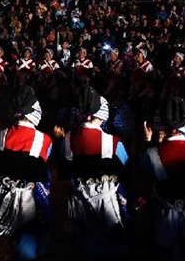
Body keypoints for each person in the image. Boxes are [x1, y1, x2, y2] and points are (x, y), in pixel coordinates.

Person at [139, 96, 185, 261]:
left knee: (164, 252)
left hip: (166, 215)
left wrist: (148, 142)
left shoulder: (151, 153)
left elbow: (142, 171)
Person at [60, 85, 129, 258]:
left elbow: (65, 168)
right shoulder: (112, 142)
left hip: (77, 201)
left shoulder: (67, 139)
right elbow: (127, 167)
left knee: (84, 244)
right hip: (106, 202)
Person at [0, 85, 53, 261]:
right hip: (30, 199)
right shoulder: (44, 139)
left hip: (3, 197)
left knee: (14, 237)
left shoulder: (0, 135)